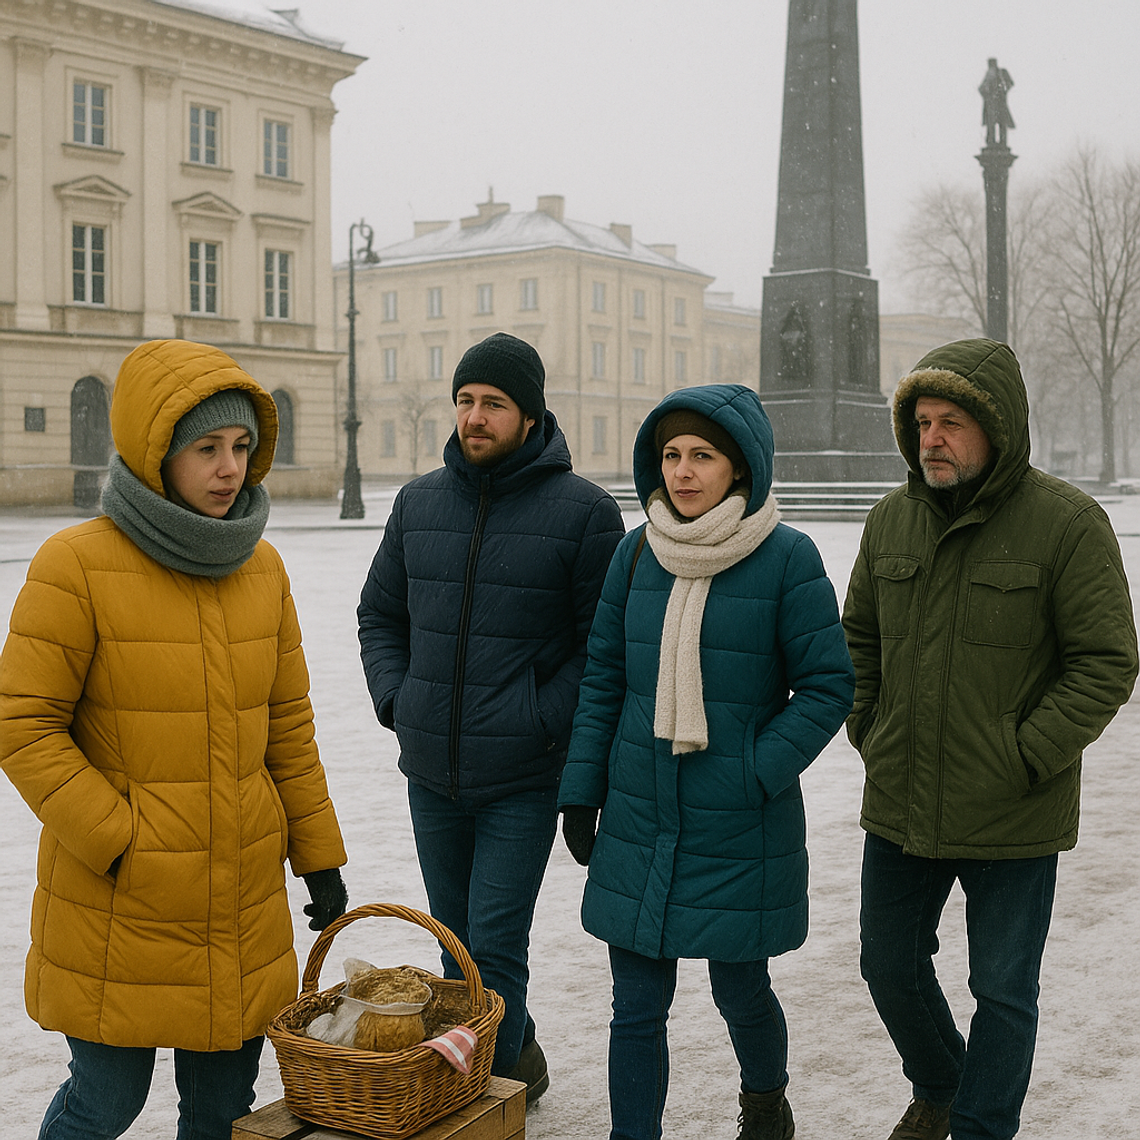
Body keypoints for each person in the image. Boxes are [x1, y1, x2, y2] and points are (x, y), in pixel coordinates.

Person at [0, 339, 349, 1140]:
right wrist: (119, 839)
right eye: (206, 449)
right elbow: (23, 724)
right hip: (122, 903)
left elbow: (288, 729)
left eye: (241, 447)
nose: (230, 469)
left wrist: (317, 854)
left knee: (222, 1113)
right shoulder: (76, 564)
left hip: (241, 902)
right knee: (104, 1105)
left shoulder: (262, 568)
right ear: (157, 453)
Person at [842, 338, 1138, 1140]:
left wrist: (1027, 754)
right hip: (902, 799)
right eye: (922, 423)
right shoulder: (889, 520)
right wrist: (871, 726)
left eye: (952, 422)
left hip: (1014, 808)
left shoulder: (1066, 523)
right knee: (888, 966)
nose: (931, 439)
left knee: (1003, 991)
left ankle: (981, 1127)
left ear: (997, 428)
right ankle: (942, 1083)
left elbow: (1106, 660)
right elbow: (858, 638)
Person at [558, 384, 855, 1140]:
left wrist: (755, 769)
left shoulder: (786, 557)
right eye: (671, 455)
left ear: (740, 466)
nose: (683, 472)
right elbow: (604, 678)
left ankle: (765, 1103)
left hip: (738, 823)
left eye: (703, 456)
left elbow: (828, 686)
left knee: (740, 990)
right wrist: (582, 789)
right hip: (640, 813)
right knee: (635, 1005)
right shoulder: (635, 553)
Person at [357, 331, 625, 1102]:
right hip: (431, 774)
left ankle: (485, 1097)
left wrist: (539, 717)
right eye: (466, 400)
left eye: (495, 404)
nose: (475, 417)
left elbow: (603, 649)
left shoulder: (585, 513)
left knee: (495, 946)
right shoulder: (417, 504)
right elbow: (380, 616)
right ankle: (519, 1059)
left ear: (531, 415)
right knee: (457, 950)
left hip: (522, 778)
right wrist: (399, 700)